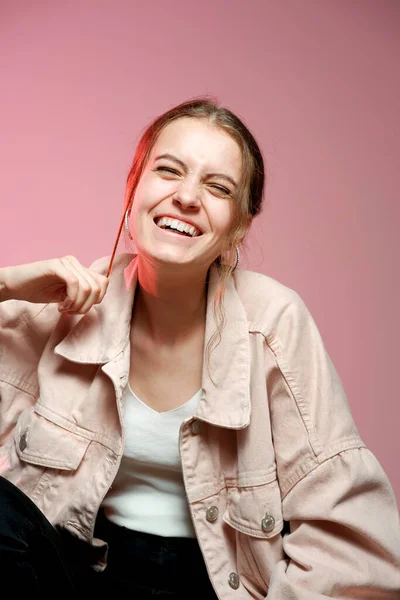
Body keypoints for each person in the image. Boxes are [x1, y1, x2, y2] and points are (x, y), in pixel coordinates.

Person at [0, 97, 399, 598]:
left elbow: (352, 547)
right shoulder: (67, 304)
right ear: (133, 188)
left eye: (217, 187)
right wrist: (7, 285)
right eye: (168, 171)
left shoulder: (274, 322)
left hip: (214, 586)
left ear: (239, 225)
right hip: (84, 574)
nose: (187, 197)